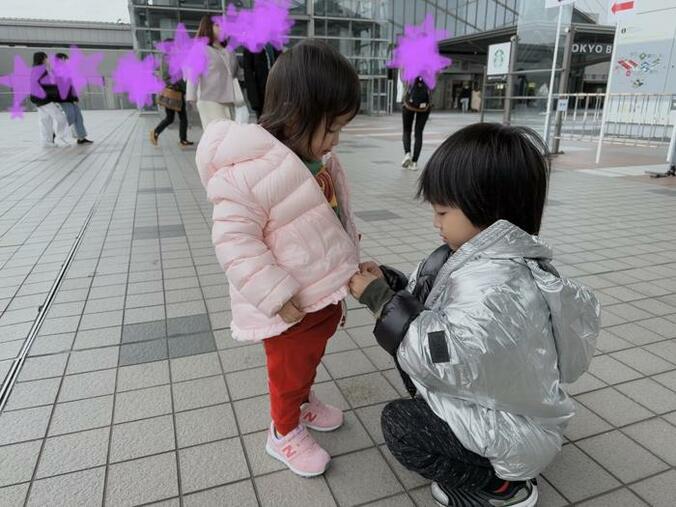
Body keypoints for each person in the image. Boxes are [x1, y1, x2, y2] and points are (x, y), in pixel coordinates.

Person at [349, 123, 600, 507]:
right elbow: (430, 304)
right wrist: (392, 284)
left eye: (443, 211)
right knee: (405, 345)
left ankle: (503, 487)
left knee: (401, 429)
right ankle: (494, 465)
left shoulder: (500, 286)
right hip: (500, 407)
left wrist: (383, 302)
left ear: (488, 209)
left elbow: (446, 356)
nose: (435, 222)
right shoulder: (478, 257)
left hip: (512, 430)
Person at [195, 40, 361, 478]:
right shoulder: (246, 170)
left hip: (320, 294)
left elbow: (333, 219)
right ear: (296, 114)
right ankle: (282, 432)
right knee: (287, 373)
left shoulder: (314, 158)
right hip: (287, 305)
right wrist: (274, 293)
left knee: (307, 362)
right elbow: (234, 242)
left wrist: (350, 262)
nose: (335, 140)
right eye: (330, 128)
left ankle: (303, 404)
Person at [186, 15, 239, 129]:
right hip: (209, 99)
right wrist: (191, 97)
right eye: (217, 25)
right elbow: (193, 74)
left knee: (227, 136)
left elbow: (234, 73)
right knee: (218, 136)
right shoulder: (200, 48)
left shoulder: (228, 51)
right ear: (208, 27)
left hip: (228, 100)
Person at [29, 52, 69, 147]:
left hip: (37, 98)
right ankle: (60, 138)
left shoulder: (35, 69)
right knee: (60, 118)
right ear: (42, 59)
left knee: (45, 120)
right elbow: (47, 86)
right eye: (46, 58)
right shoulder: (41, 70)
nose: (48, 60)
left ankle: (46, 141)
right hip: (44, 99)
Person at [54, 53, 93, 144]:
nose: (67, 61)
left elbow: (71, 85)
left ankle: (81, 138)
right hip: (63, 98)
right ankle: (55, 133)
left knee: (78, 116)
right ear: (61, 59)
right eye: (66, 59)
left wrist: (75, 96)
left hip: (70, 97)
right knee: (70, 116)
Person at [242, 43, 281, 119]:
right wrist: (254, 101)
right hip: (261, 95)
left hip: (277, 92)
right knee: (263, 124)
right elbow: (248, 74)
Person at [401, 76, 431, 172]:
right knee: (418, 133)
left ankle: (407, 154)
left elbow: (403, 79)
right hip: (424, 107)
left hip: (408, 105)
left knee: (407, 131)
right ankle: (414, 163)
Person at [151, 78, 193, 147]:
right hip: (174, 93)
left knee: (172, 118)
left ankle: (156, 132)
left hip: (175, 93)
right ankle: (183, 140)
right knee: (181, 118)